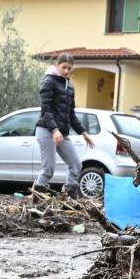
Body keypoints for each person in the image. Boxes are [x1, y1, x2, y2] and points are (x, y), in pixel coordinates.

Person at [34, 52, 94, 197]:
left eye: (69, 68)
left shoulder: (69, 86)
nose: (67, 71)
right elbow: (45, 110)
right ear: (57, 65)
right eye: (64, 67)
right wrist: (54, 130)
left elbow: (71, 114)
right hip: (47, 130)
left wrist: (84, 132)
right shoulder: (48, 81)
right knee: (48, 169)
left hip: (62, 133)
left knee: (76, 165)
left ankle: (69, 196)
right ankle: (36, 199)